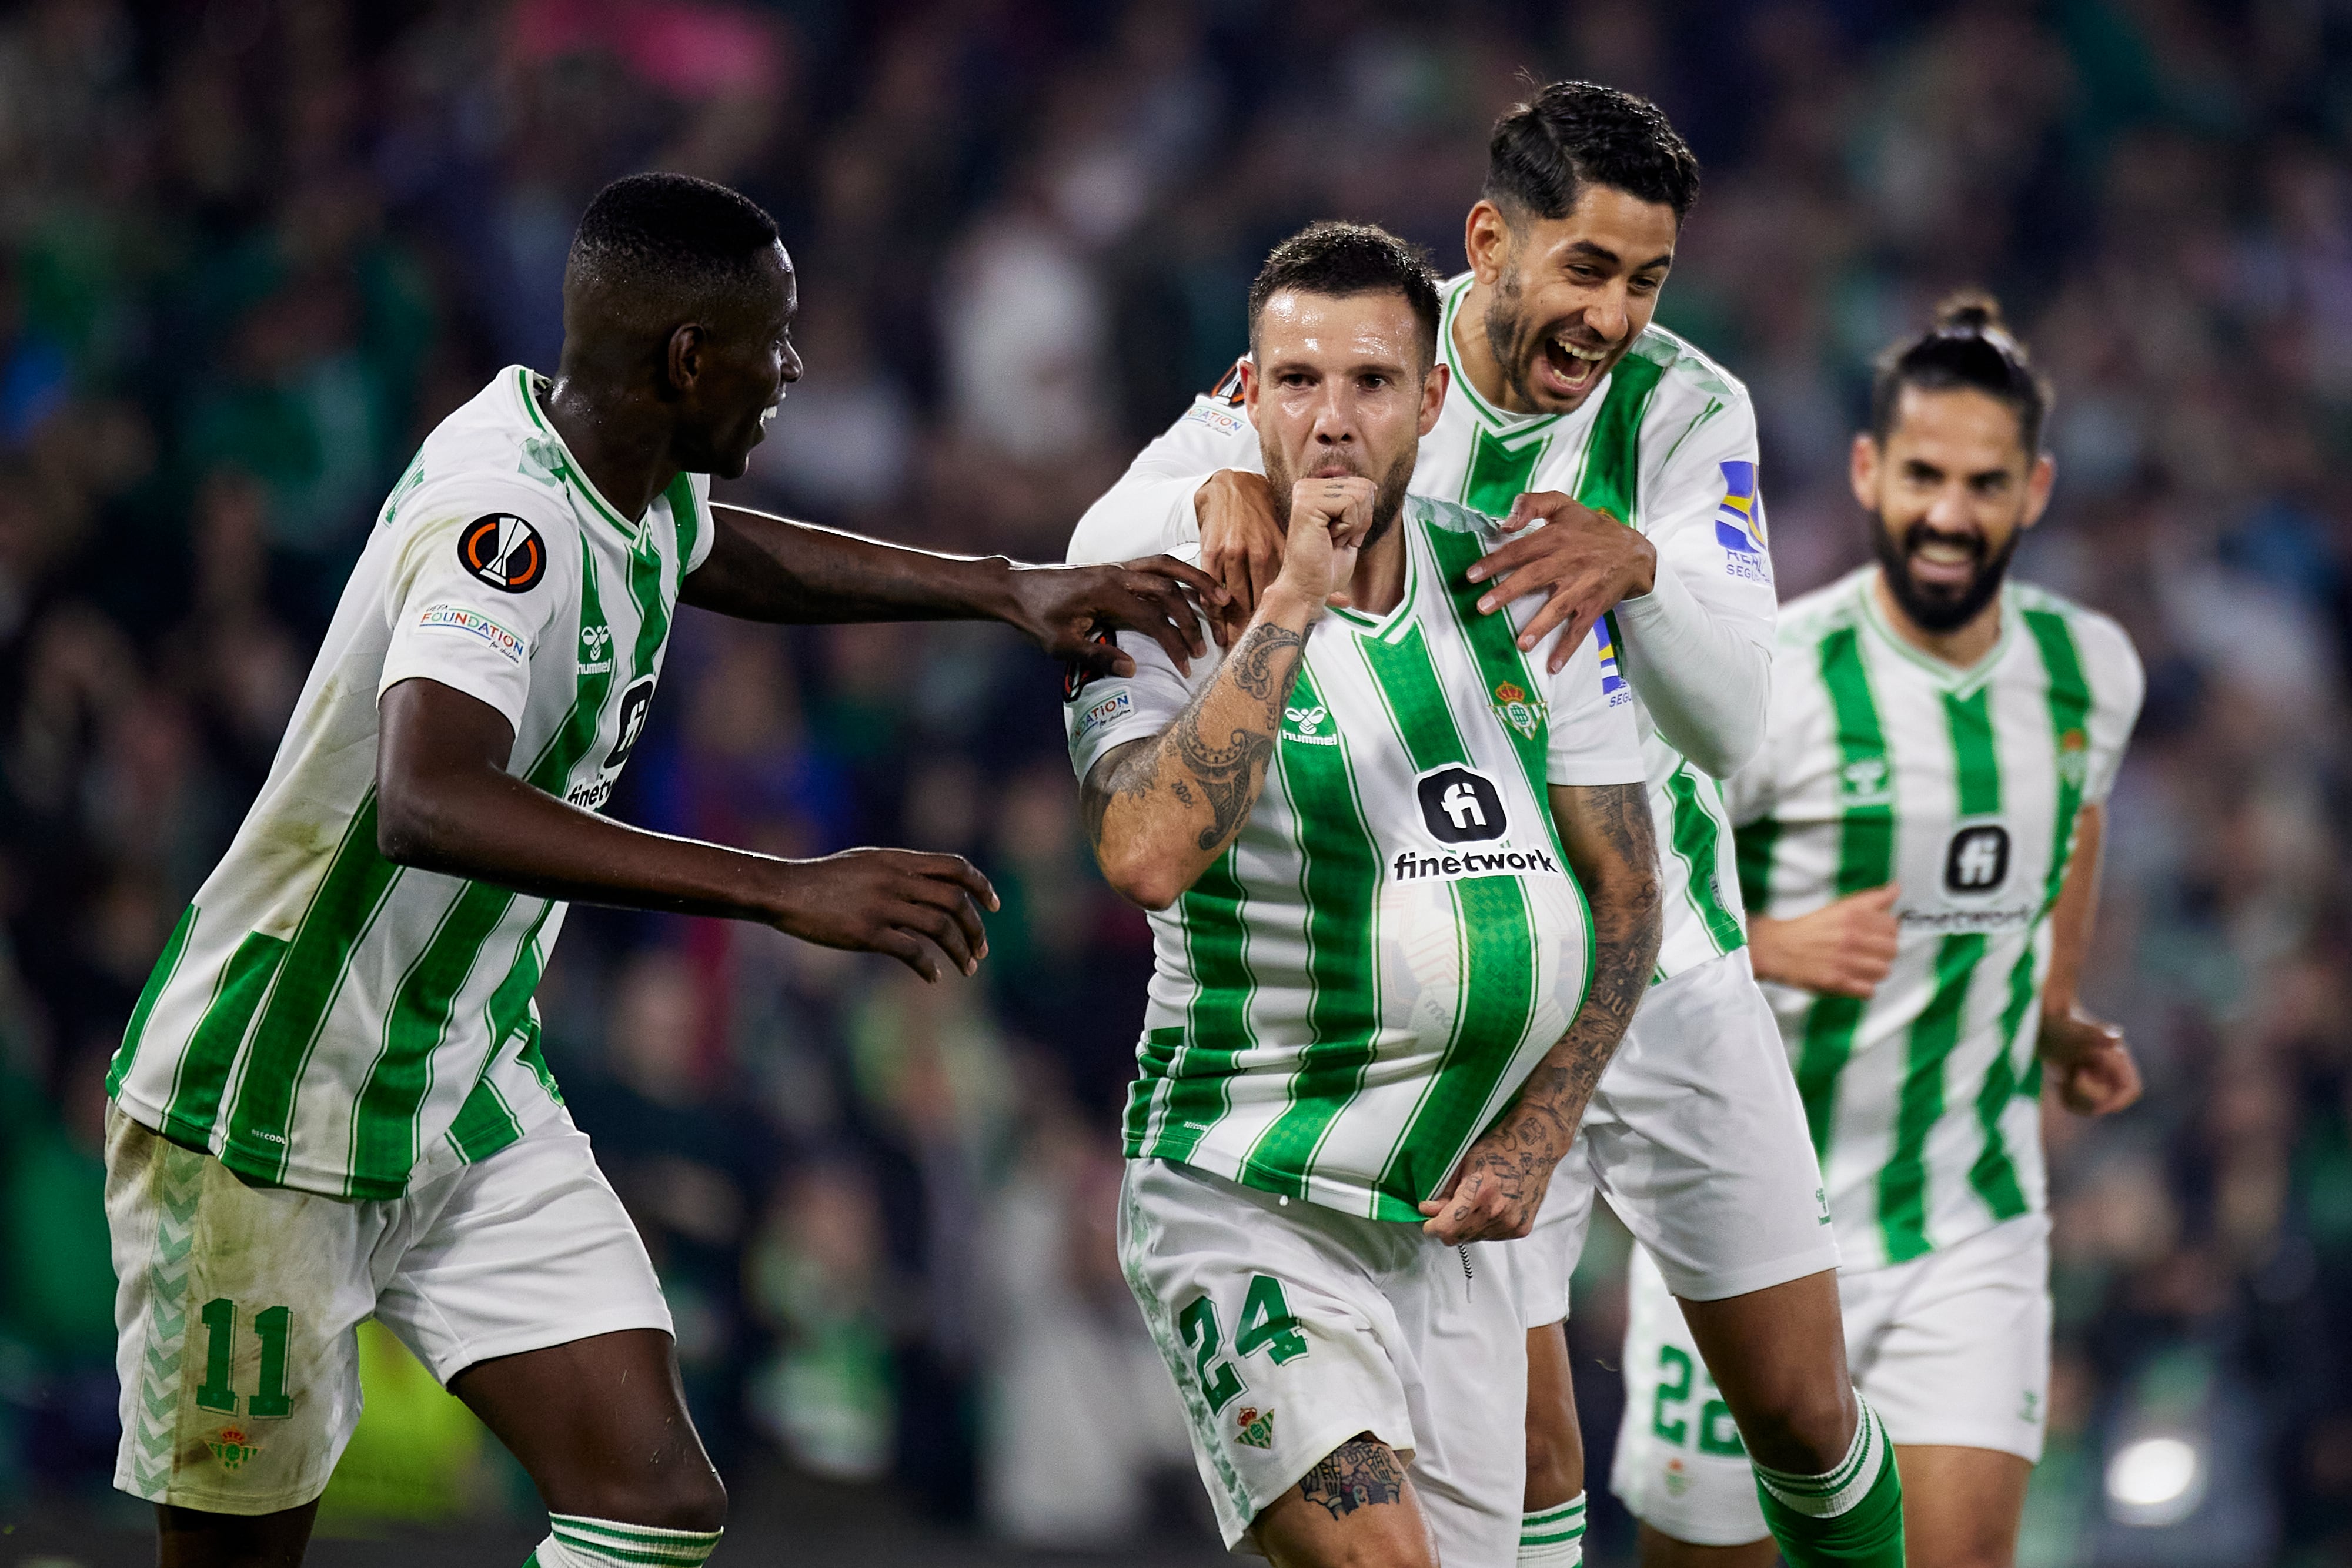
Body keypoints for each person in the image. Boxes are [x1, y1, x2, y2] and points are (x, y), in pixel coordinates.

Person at [102, 171, 1224, 1568]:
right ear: (692, 359)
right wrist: (780, 885)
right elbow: (427, 798)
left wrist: (1002, 588)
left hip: (457, 1084)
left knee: (652, 1499)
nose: (792, 372)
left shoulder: (616, 470)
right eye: (775, 342)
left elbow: (717, 549)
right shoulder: (497, 522)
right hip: (269, 1094)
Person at [1072, 83, 1901, 1567]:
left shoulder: (1687, 408)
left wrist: (1640, 574)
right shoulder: (1370, 358)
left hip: (1662, 956)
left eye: (1646, 280)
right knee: (1526, 1447)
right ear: (1489, 243)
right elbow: (1115, 532)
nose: (1613, 317)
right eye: (1585, 269)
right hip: (1451, 994)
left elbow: (1731, 729)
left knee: (1798, 1410)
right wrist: (1206, 484)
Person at [1067, 221, 1661, 1567]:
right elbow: (1143, 854)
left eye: (1372, 382)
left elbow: (1626, 896)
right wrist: (1289, 597)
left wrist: (1540, 1130)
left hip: (1452, 1220)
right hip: (1250, 1194)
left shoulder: (1516, 584)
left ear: (1431, 398)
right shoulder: (1154, 583)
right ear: (1247, 392)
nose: (1330, 419)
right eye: (1296, 381)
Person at [1613, 296, 2144, 1567]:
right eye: (1920, 474)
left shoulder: (2089, 672)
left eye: (1981, 481)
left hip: (1968, 1218)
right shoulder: (1771, 683)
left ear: (2034, 490)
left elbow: (2071, 827)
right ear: (1867, 472)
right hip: (1741, 1227)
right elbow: (1631, 901)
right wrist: (1781, 945)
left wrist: (2055, 1007)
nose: (1948, 511)